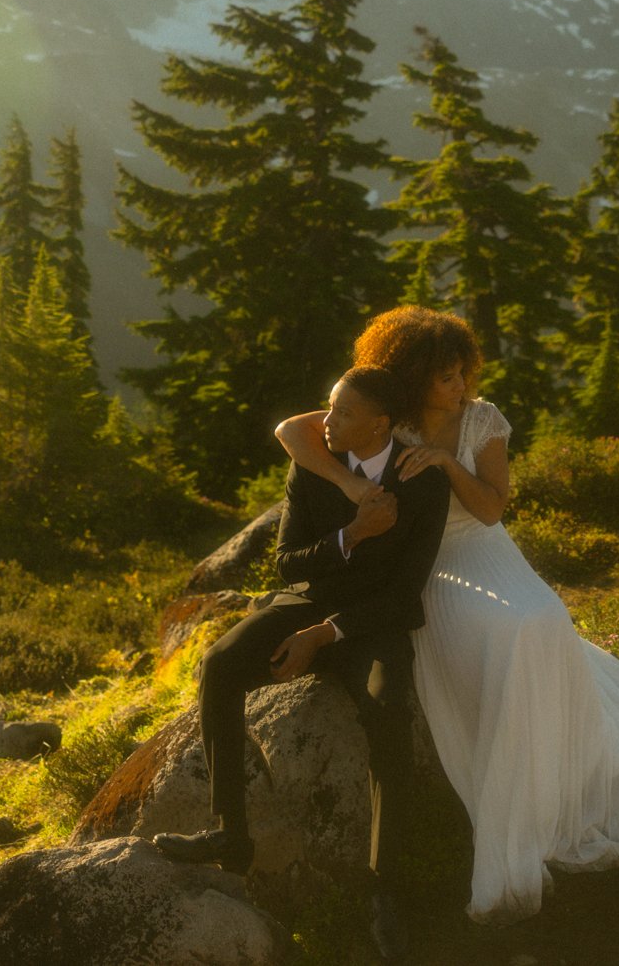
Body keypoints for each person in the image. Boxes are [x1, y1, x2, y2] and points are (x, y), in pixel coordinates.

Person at [275, 306, 619, 924]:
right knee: (507, 631)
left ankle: (556, 777)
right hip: (425, 562)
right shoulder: (387, 416)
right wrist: (352, 486)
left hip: (484, 550)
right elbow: (291, 432)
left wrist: (445, 464)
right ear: (413, 375)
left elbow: (491, 510)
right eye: (446, 377)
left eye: (463, 372)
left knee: (542, 617)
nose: (460, 386)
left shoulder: (483, 420)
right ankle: (511, 784)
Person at [155, 364, 449, 962]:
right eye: (329, 407)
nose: (329, 420)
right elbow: (289, 565)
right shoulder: (314, 464)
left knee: (390, 714)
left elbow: (404, 594)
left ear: (380, 424)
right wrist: (352, 535)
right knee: (219, 665)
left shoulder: (421, 481)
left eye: (341, 413)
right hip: (309, 601)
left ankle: (384, 890)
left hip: (374, 624)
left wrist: (328, 634)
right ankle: (230, 836)